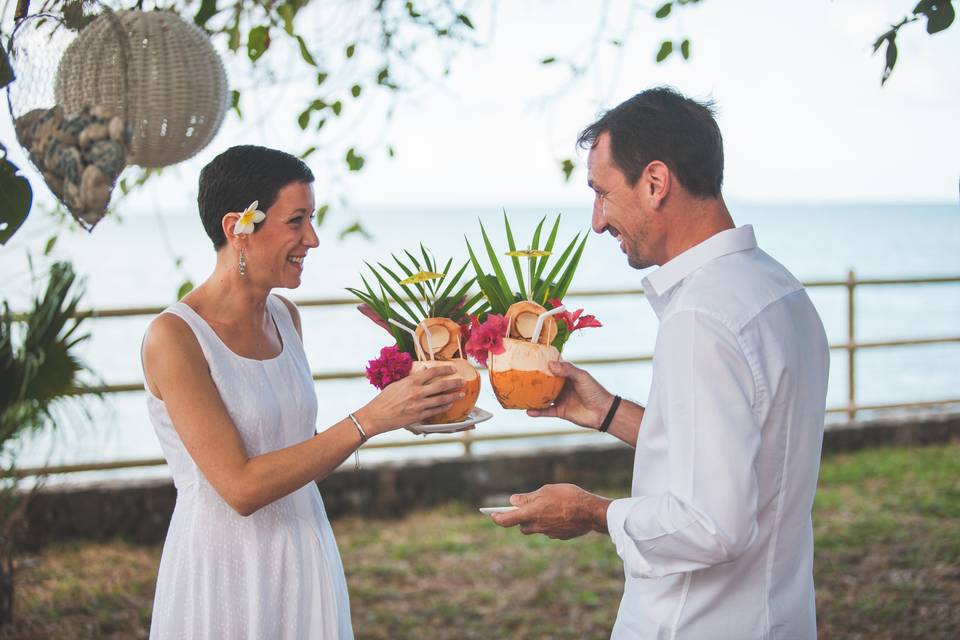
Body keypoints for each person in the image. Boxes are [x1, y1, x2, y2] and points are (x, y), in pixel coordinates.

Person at [493, 87, 830, 639]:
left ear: (655, 183)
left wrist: (590, 512)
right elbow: (750, 452)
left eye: (602, 194)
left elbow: (711, 525)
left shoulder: (701, 316)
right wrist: (610, 414)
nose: (598, 222)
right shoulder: (780, 291)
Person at [140, 145, 465, 639]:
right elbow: (242, 488)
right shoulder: (175, 338)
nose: (312, 239)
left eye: (311, 219)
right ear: (238, 228)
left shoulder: (286, 319)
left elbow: (300, 451)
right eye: (297, 221)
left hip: (304, 549)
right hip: (226, 568)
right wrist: (370, 419)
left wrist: (404, 403)